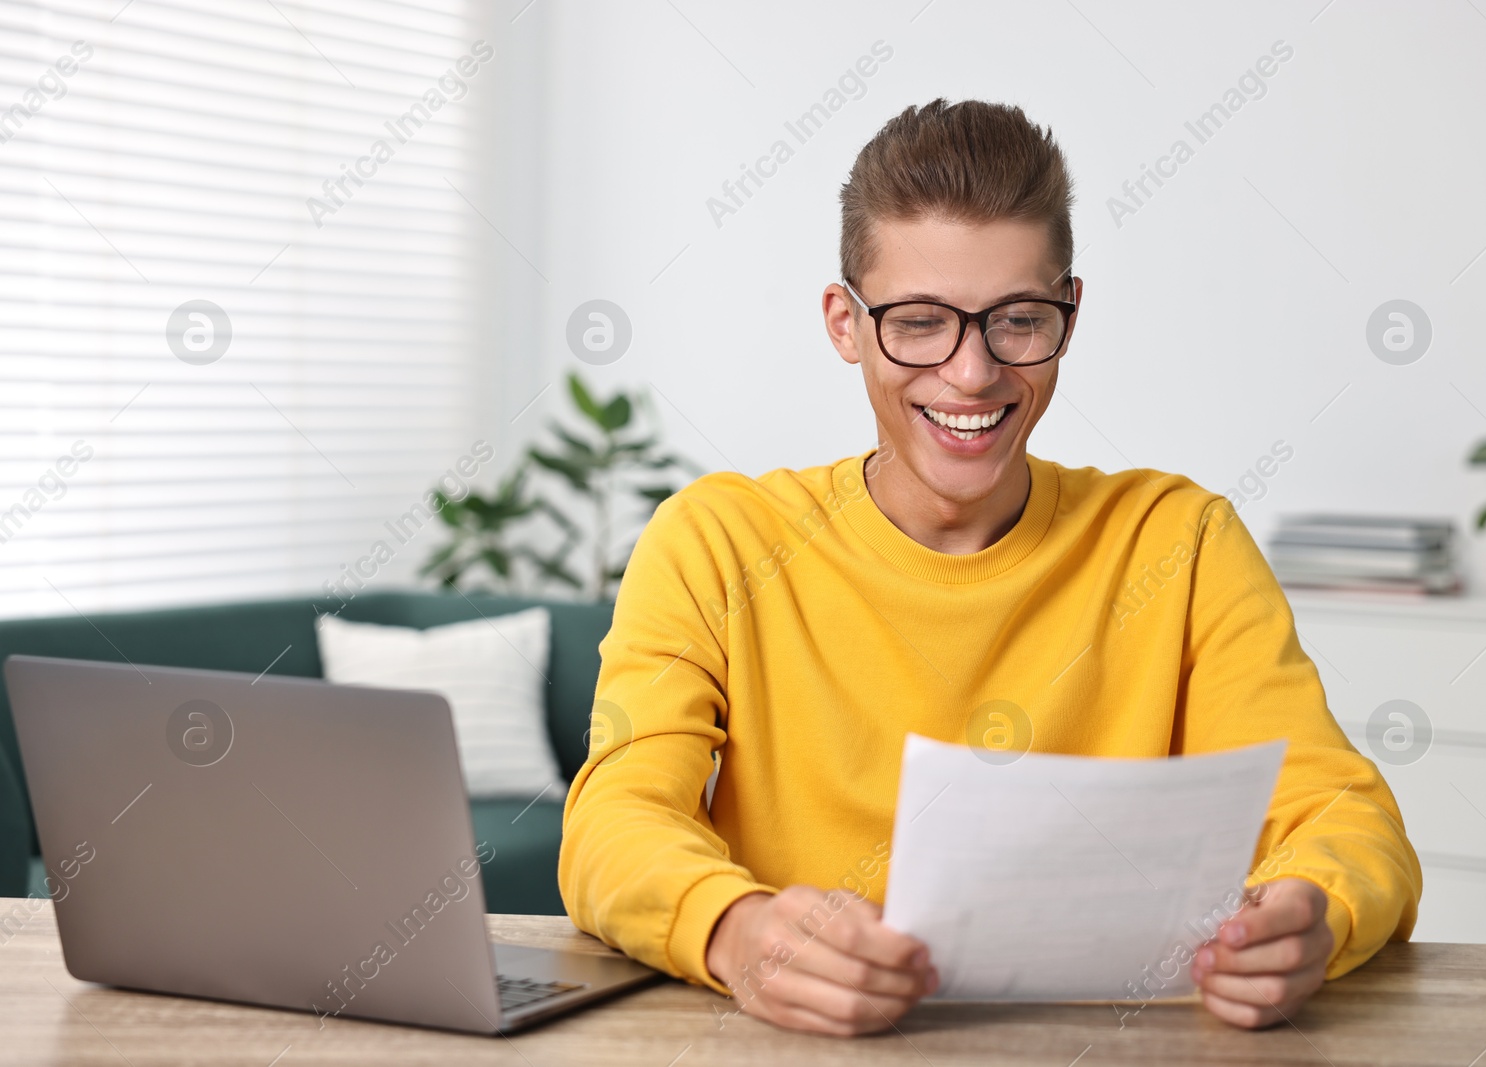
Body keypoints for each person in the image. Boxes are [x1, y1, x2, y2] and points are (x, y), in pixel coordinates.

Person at [559, 98, 1422, 1036]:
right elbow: (615, 818)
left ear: (1070, 314)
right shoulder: (716, 540)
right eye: (921, 322)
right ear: (845, 324)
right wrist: (734, 929)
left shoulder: (1179, 541)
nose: (972, 374)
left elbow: (1343, 814)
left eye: (1017, 318)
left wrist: (1314, 911)